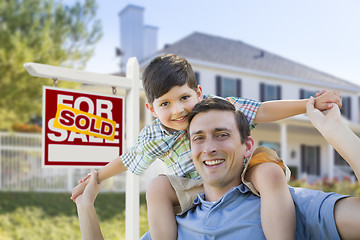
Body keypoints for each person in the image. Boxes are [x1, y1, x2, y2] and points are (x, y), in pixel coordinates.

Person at [71, 54, 342, 240]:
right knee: (157, 187)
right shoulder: (154, 134)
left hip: (241, 170)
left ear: (199, 93)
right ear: (151, 109)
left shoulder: (218, 108)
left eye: (184, 98)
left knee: (269, 172)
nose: (178, 110)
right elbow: (128, 159)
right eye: (165, 104)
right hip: (194, 186)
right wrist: (96, 176)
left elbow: (262, 110)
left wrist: (309, 105)